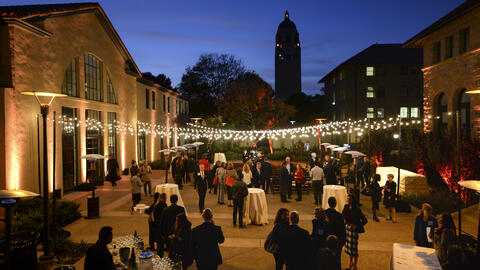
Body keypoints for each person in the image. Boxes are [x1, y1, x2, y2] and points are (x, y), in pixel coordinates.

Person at [342, 194, 367, 270]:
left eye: (349, 199)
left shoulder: (357, 209)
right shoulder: (346, 207)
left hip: (354, 231)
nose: (348, 200)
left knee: (354, 249)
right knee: (349, 249)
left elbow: (365, 220)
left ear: (352, 201)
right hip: (348, 229)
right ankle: (350, 262)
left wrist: (357, 225)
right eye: (348, 199)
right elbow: (342, 216)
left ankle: (355, 264)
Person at [326, 197, 346, 268]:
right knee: (337, 260)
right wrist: (342, 242)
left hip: (326, 241)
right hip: (337, 241)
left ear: (328, 204)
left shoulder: (325, 213)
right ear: (335, 204)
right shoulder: (339, 215)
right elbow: (343, 230)